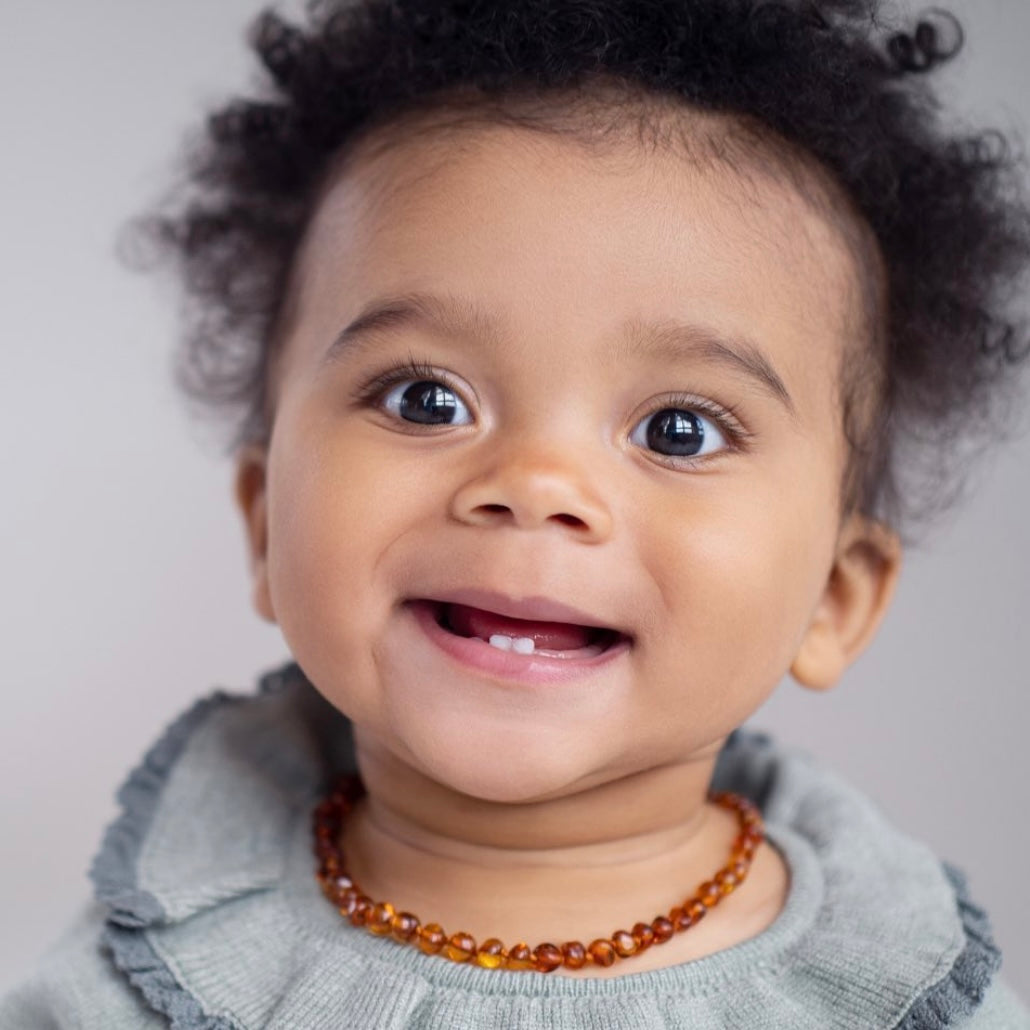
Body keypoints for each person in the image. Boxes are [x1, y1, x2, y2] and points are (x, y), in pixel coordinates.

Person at [2, 0, 1029, 1026]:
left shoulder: (893, 996)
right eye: (425, 399)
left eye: (677, 429)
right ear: (267, 523)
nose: (534, 483)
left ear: (834, 599)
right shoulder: (148, 971)